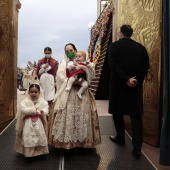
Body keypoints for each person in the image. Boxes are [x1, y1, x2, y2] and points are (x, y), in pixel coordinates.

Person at [48, 43, 101, 149]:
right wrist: (70, 81)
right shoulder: (64, 64)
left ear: (75, 50)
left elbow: (91, 75)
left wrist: (83, 68)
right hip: (69, 91)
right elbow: (60, 77)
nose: (69, 52)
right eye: (67, 51)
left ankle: (82, 142)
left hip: (83, 92)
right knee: (68, 116)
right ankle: (68, 142)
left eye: (71, 50)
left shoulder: (83, 61)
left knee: (82, 115)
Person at [108, 24, 149, 155]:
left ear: (121, 33)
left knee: (117, 112)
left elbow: (113, 65)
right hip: (134, 87)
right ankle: (137, 147)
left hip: (119, 85)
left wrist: (125, 79)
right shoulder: (141, 48)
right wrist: (136, 79)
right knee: (136, 116)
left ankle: (120, 137)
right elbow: (145, 66)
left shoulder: (114, 46)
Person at [14, 83, 49, 157]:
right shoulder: (25, 101)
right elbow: (22, 109)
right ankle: (29, 152)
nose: (33, 93)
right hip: (28, 122)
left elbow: (46, 108)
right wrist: (33, 110)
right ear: (29, 92)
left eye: (35, 92)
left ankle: (39, 151)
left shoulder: (42, 101)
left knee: (39, 136)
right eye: (32, 92)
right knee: (28, 137)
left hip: (39, 122)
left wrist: (43, 111)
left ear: (39, 92)